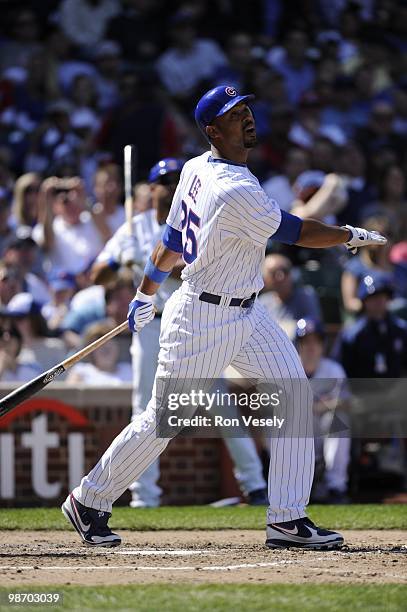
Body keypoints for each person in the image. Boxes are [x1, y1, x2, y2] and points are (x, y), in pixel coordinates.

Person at [62, 85, 386, 550]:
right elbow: (297, 232)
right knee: (163, 420)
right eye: (234, 115)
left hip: (245, 312)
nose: (247, 118)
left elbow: (171, 240)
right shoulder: (235, 189)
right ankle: (89, 498)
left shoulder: (195, 167)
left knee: (293, 392)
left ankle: (287, 519)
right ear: (213, 129)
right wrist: (349, 235)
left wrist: (145, 291)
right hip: (202, 318)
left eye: (246, 109)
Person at [91, 156, 268, 508]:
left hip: (193, 325)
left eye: (176, 181)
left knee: (219, 403)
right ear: (151, 189)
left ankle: (254, 485)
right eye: (165, 182)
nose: (172, 187)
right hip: (150, 327)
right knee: (145, 410)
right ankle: (145, 496)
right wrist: (117, 264)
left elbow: (192, 269)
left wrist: (153, 264)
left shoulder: (198, 221)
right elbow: (97, 275)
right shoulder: (134, 228)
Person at [295, 319, 351, 504]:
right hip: (297, 431)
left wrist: (313, 406)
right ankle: (290, 485)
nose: (311, 346)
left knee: (338, 420)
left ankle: (336, 487)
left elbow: (344, 403)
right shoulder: (288, 369)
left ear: (322, 345)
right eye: (306, 341)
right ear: (298, 344)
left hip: (322, 429)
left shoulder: (333, 369)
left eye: (316, 341)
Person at [259, 254, 322, 340]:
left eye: (284, 271)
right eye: (274, 273)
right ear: (265, 278)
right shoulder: (262, 302)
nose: (280, 276)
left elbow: (313, 327)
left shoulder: (306, 295)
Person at [66, 320, 132, 385]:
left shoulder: (129, 370)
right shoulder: (80, 372)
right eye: (100, 344)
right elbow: (69, 394)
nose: (106, 347)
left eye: (110, 340)